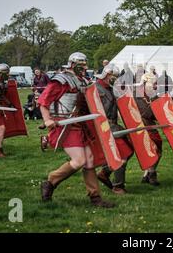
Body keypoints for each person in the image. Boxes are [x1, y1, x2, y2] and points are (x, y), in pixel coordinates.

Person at [38, 52, 115, 208]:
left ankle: (95, 198)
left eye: (86, 65)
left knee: (89, 160)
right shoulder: (61, 80)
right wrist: (47, 120)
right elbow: (43, 102)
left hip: (80, 125)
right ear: (72, 65)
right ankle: (50, 181)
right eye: (82, 65)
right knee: (79, 160)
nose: (85, 68)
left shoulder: (84, 81)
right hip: (64, 125)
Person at [95, 65, 134, 195]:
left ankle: (104, 172)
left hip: (113, 125)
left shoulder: (110, 89)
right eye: (114, 76)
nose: (115, 79)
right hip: (103, 127)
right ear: (107, 74)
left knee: (129, 150)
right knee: (122, 153)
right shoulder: (95, 89)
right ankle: (118, 186)